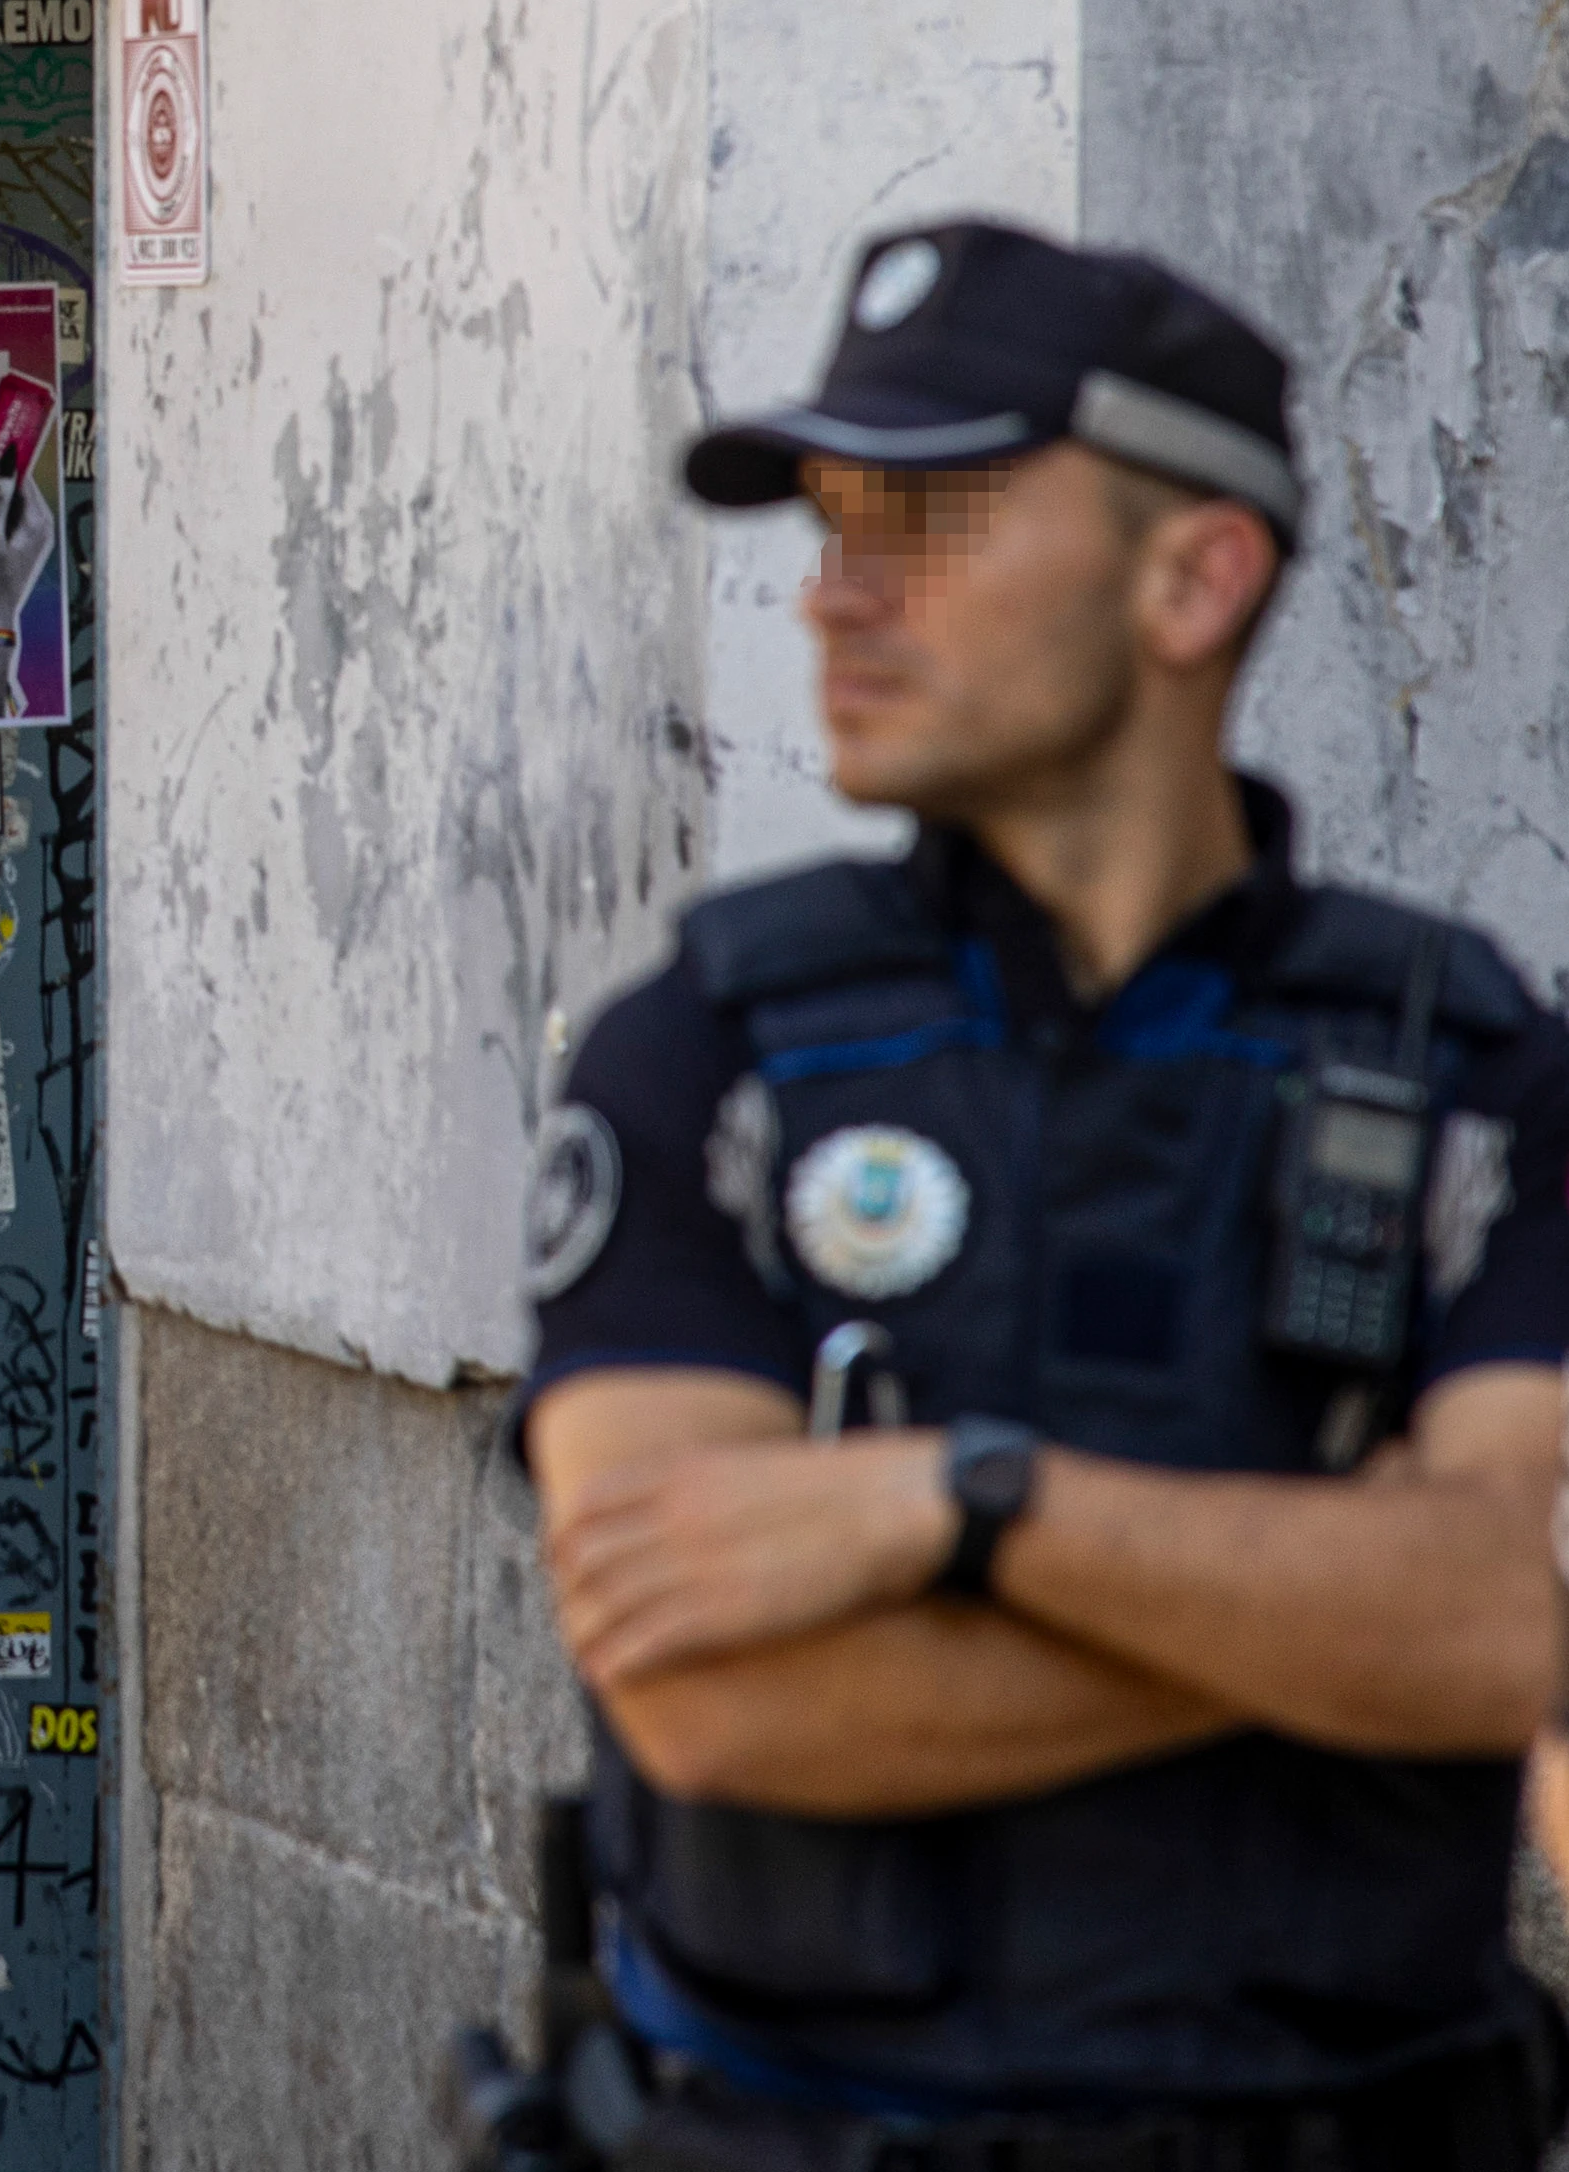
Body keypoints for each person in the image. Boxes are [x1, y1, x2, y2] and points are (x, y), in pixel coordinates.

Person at [509, 222, 1569, 2165]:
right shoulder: (710, 1060)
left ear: (1195, 576)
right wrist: (1331, 1608)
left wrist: (953, 1503)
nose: (835, 599)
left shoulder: (1470, 1077)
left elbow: (1508, 1632)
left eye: (928, 524)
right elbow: (722, 1706)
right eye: (829, 530)